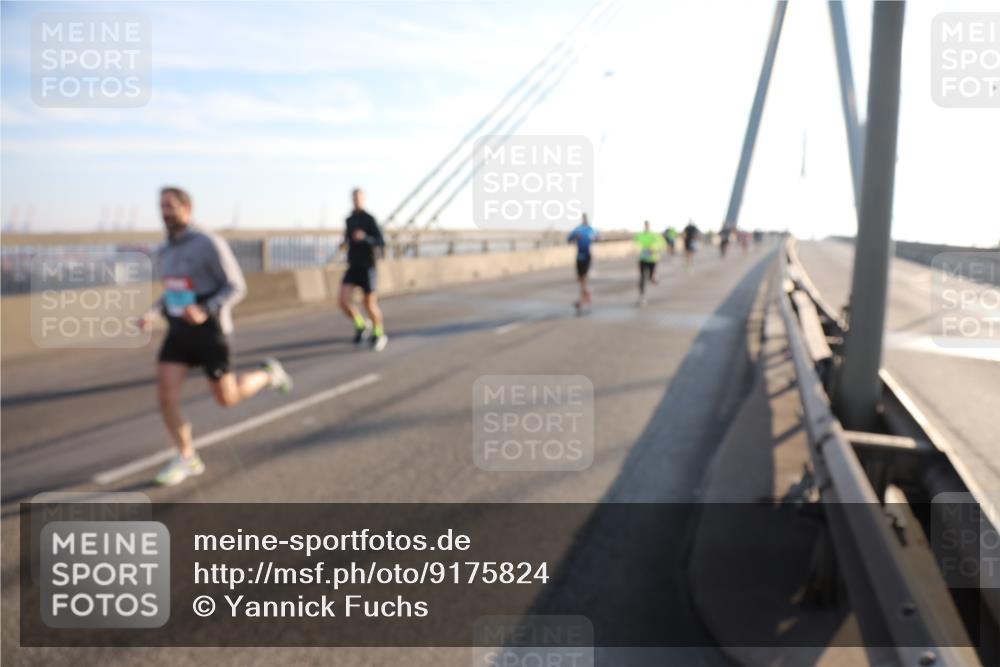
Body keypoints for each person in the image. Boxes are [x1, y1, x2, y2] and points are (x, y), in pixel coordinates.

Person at [139, 187, 292, 487]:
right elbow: (172, 293)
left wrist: (205, 308)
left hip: (211, 333)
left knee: (227, 398)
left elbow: (237, 286)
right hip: (178, 334)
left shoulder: (208, 243)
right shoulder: (166, 250)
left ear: (187, 208)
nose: (165, 212)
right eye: (161, 207)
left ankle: (268, 374)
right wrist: (152, 314)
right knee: (165, 396)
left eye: (170, 206)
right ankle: (187, 457)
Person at [338, 188, 387, 351]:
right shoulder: (349, 220)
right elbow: (347, 238)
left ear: (363, 199)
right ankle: (361, 325)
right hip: (353, 266)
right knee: (343, 301)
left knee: (369, 304)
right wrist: (344, 244)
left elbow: (381, 241)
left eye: (359, 198)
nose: (356, 201)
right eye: (354, 198)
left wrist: (365, 238)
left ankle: (379, 334)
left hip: (368, 267)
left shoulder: (370, 219)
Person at [567, 213, 599, 314]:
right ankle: (587, 293)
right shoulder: (578, 229)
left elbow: (598, 238)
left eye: (586, 218)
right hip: (579, 256)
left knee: (584, 278)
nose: (584, 220)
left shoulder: (591, 229)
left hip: (587, 256)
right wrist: (575, 237)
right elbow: (568, 239)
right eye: (583, 218)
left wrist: (595, 239)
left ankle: (580, 301)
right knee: (579, 279)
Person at [634, 220, 666, 306]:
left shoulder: (655, 235)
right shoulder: (640, 235)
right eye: (645, 225)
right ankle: (642, 297)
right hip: (643, 259)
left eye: (647, 225)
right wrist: (637, 248)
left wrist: (654, 247)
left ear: (649, 226)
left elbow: (662, 244)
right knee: (642, 278)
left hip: (653, 259)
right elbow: (635, 244)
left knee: (650, 277)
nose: (646, 226)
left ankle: (653, 278)